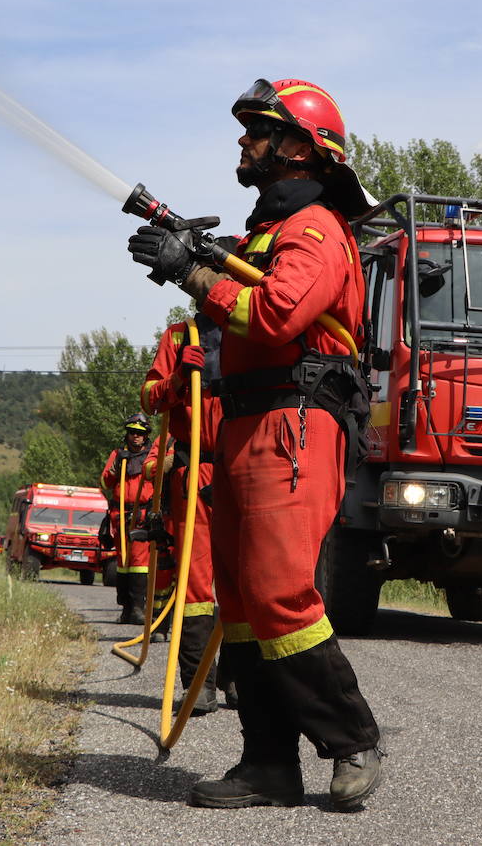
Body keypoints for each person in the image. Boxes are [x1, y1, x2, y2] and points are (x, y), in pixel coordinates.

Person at [127, 78, 383, 812]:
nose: (243, 142)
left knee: (277, 590)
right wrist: (196, 260)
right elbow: (238, 300)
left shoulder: (315, 231)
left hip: (295, 423)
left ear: (300, 148)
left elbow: (273, 314)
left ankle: (352, 738)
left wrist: (192, 271)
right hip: (248, 426)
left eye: (258, 132)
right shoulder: (269, 235)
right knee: (238, 601)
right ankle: (268, 764)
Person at [141, 311, 224, 716]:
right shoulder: (178, 337)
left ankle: (242, 681)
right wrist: (175, 382)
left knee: (250, 579)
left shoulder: (256, 330)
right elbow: (148, 396)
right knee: (195, 585)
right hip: (195, 469)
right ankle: (198, 684)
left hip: (248, 467)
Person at [100, 413, 156, 625]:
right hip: (119, 515)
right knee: (123, 562)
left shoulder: (152, 457)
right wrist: (116, 468)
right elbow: (105, 483)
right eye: (132, 433)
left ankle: (138, 608)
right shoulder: (117, 454)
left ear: (146, 436)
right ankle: (125, 608)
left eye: (140, 434)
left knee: (140, 562)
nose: (135, 437)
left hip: (141, 514)